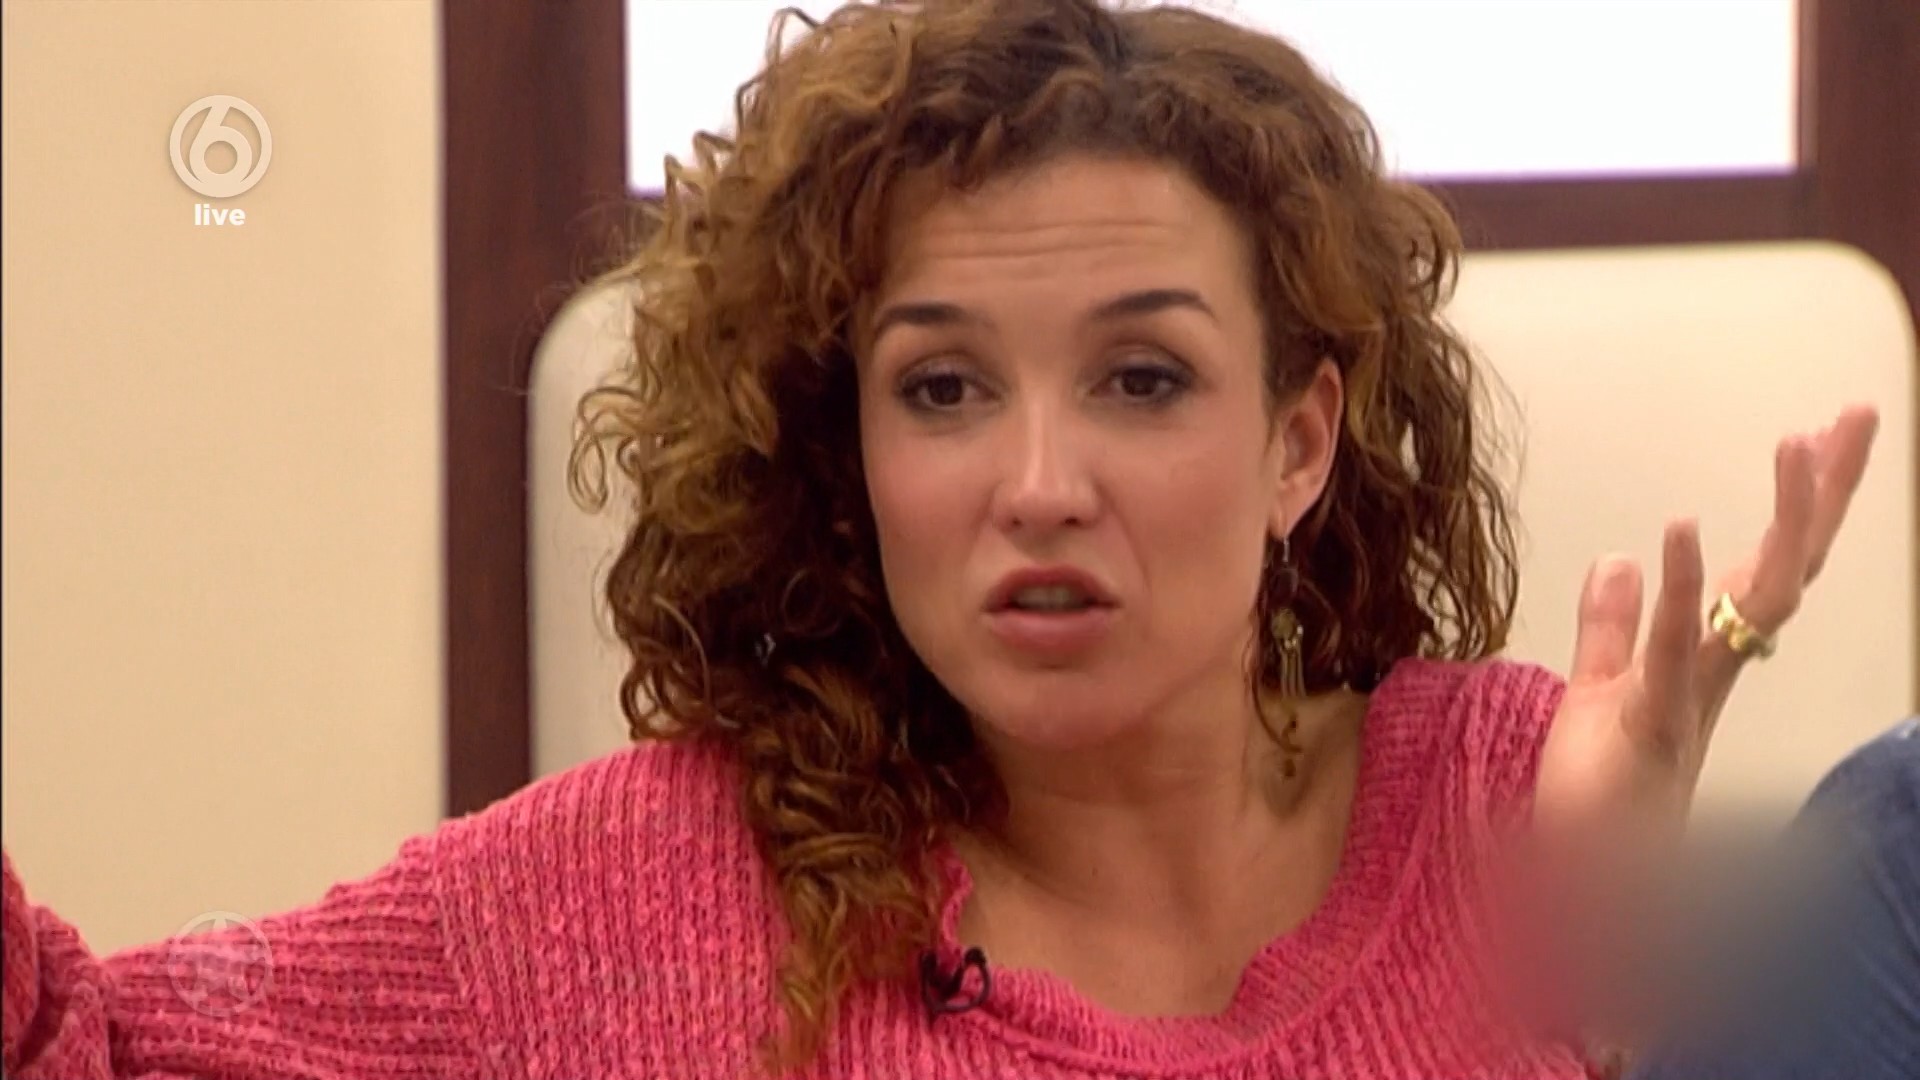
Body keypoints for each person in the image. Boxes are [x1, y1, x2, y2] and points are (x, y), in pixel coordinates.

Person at [0, 1, 1892, 1077]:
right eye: (944, 388)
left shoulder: (1506, 794)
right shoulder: (642, 899)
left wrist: (1640, 990)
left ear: (1299, 440)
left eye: (1141, 379)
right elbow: (81, 1041)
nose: (1037, 482)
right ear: (849, 453)